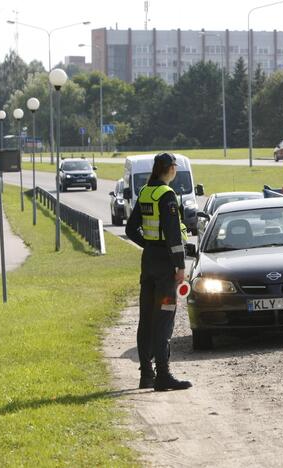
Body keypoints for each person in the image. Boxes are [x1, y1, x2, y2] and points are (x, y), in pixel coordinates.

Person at [125, 153, 192, 391]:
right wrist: (180, 265)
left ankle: (146, 374)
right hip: (165, 266)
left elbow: (131, 229)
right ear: (170, 169)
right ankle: (163, 375)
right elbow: (174, 236)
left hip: (149, 262)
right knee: (164, 318)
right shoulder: (167, 195)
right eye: (174, 167)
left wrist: (149, 245)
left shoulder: (144, 192)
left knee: (147, 319)